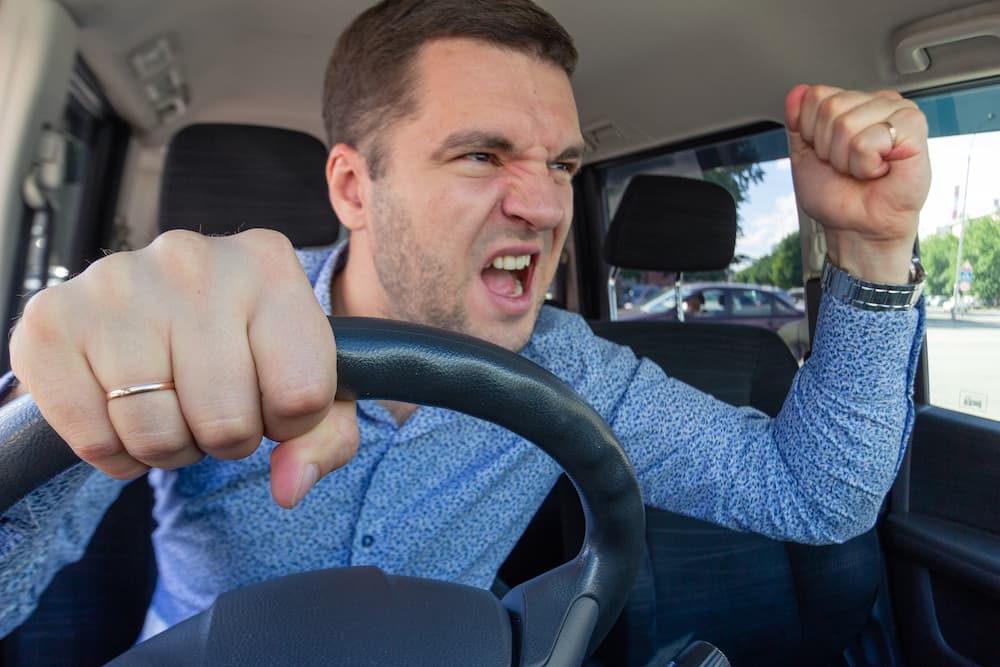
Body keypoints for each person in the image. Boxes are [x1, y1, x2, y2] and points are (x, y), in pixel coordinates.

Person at [0, 0, 929, 642]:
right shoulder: (209, 329)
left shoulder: (572, 367)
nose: (545, 205)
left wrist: (875, 253)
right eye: (483, 154)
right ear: (355, 187)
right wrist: (59, 395)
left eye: (562, 164)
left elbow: (814, 497)